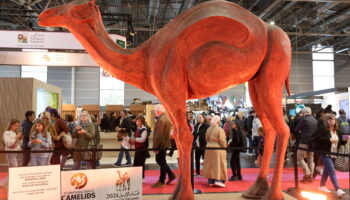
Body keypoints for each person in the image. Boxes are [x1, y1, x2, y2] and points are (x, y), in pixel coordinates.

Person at [317, 114, 347, 197]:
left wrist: (345, 139)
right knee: (332, 171)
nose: (331, 121)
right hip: (325, 153)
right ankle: (338, 189)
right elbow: (317, 138)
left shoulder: (337, 130)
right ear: (326, 121)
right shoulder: (323, 130)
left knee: (326, 171)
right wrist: (328, 139)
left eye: (333, 119)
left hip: (334, 154)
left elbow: (341, 142)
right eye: (329, 119)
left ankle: (322, 186)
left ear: (335, 121)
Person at [151, 104, 176, 188]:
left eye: (154, 111)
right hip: (164, 143)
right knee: (161, 161)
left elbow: (158, 135)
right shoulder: (166, 118)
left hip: (161, 144)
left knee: (160, 160)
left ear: (158, 111)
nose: (154, 113)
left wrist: (156, 147)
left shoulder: (161, 120)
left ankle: (162, 180)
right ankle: (171, 175)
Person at [203, 115, 227, 187]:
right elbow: (222, 141)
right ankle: (219, 180)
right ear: (218, 121)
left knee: (210, 165)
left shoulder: (208, 129)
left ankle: (211, 181)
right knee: (219, 164)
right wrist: (224, 146)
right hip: (218, 148)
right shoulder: (220, 129)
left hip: (209, 148)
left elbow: (206, 139)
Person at [295, 107, 317, 183]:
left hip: (304, 141)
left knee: (299, 158)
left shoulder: (303, 119)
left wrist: (301, 131)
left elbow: (296, 129)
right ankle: (310, 176)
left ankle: (307, 173)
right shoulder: (315, 120)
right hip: (313, 142)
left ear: (303, 113)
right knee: (310, 159)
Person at [130, 116, 149, 182]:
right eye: (137, 121)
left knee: (141, 163)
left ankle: (142, 178)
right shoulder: (137, 129)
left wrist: (134, 139)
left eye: (139, 121)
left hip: (142, 149)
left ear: (142, 122)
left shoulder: (144, 130)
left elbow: (143, 139)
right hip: (137, 148)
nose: (137, 122)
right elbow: (135, 137)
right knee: (136, 163)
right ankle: (136, 177)